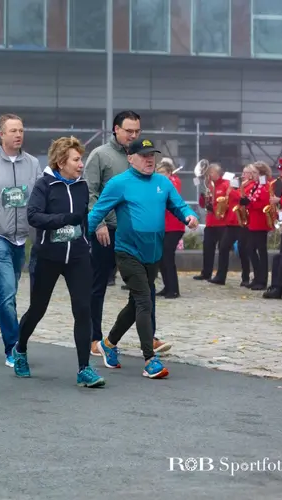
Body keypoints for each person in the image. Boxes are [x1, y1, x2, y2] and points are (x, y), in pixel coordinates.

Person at [87, 138, 198, 379]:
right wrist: (80, 237)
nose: (150, 159)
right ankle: (150, 359)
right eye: (144, 155)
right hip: (128, 252)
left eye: (152, 155)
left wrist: (189, 216)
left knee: (134, 304)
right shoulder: (119, 183)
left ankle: (108, 343)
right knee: (145, 301)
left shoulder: (163, 182)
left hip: (153, 254)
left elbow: (179, 206)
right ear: (130, 158)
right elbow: (97, 212)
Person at [10, 136, 105, 387]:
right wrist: (64, 219)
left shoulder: (82, 186)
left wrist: (86, 237)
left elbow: (83, 219)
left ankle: (84, 368)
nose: (81, 164)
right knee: (37, 310)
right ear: (61, 162)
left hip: (77, 257)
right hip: (48, 256)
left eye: (81, 159)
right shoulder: (45, 185)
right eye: (76, 159)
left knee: (83, 310)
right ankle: (20, 349)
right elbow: (34, 217)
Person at [0, 113, 41, 364]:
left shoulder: (33, 163)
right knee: (8, 294)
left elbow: (38, 197)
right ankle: (12, 348)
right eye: (13, 130)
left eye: (21, 130)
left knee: (6, 291)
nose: (18, 135)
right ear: (1, 134)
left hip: (21, 237)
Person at [85, 110, 142, 356]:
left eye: (137, 131)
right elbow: (89, 192)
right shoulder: (100, 156)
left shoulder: (141, 156)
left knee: (142, 287)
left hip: (134, 232)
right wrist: (98, 224)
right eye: (129, 131)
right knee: (98, 285)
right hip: (107, 231)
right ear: (115, 129)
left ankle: (149, 336)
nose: (133, 135)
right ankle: (93, 337)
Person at [194, 163, 228, 281]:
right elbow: (203, 204)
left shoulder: (225, 185)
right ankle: (206, 272)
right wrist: (203, 198)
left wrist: (214, 208)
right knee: (207, 248)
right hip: (210, 222)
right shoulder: (209, 185)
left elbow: (226, 203)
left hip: (222, 222)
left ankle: (220, 274)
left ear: (218, 173)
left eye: (211, 173)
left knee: (223, 250)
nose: (208, 175)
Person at [240, 163, 271, 291]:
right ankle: (257, 277)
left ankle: (262, 279)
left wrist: (249, 203)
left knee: (261, 251)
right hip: (254, 221)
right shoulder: (258, 185)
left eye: (255, 173)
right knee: (250, 249)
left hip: (260, 222)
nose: (253, 176)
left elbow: (262, 203)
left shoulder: (264, 186)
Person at [155, 158, 184, 298]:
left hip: (174, 225)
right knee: (162, 258)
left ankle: (173, 289)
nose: (159, 175)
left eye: (161, 172)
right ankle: (167, 286)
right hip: (164, 226)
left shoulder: (173, 182)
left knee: (168, 256)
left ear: (168, 172)